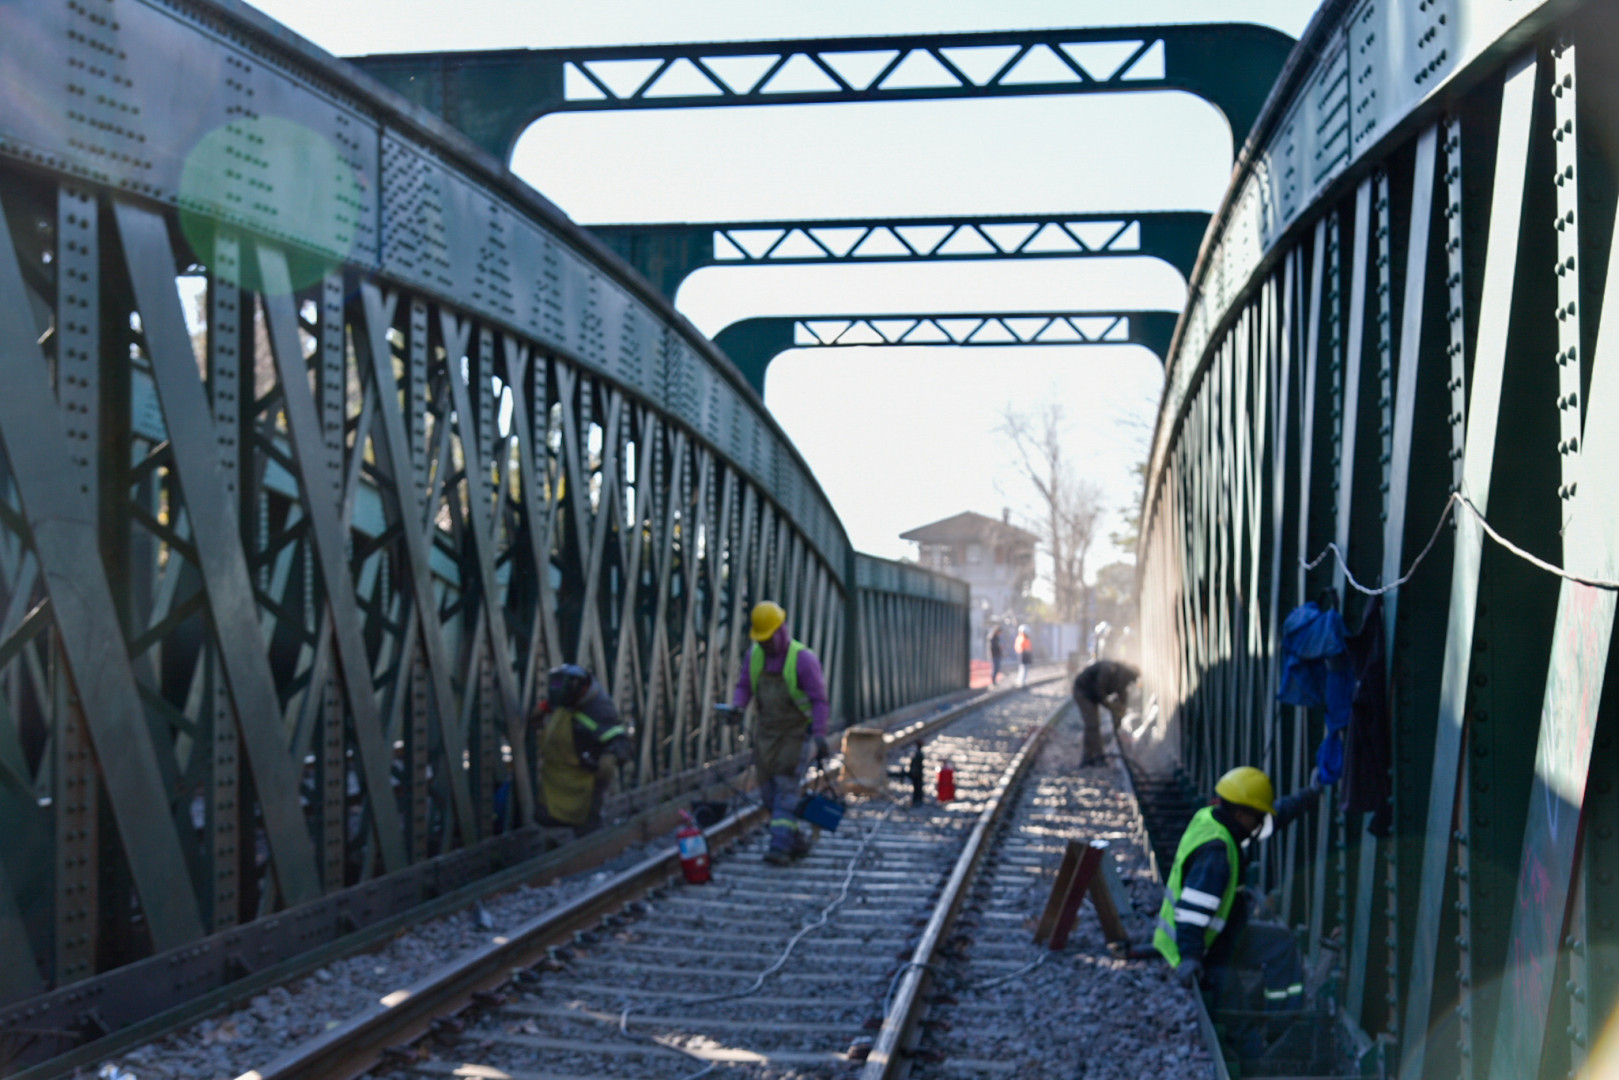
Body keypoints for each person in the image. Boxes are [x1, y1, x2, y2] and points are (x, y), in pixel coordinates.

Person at [1154, 766, 1323, 1013]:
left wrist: (1309, 795)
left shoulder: (1214, 819)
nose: (1261, 822)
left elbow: (1270, 823)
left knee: (1282, 943)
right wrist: (1191, 958)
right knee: (1237, 1024)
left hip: (1222, 935)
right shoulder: (1217, 854)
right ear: (1243, 816)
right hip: (1206, 949)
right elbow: (1192, 912)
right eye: (1257, 816)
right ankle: (1259, 1040)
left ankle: (1281, 1018)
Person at [732, 600, 830, 864]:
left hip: (795, 735)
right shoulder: (754, 657)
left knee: (786, 789)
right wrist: (736, 707)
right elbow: (744, 686)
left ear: (781, 630)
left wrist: (819, 734)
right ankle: (795, 839)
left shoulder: (803, 660)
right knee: (768, 794)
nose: (765, 644)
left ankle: (780, 847)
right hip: (766, 735)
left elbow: (819, 700)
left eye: (768, 638)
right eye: (761, 639)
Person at [533, 664, 633, 836]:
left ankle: (589, 851)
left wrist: (610, 757)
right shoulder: (566, 700)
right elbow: (554, 703)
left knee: (587, 822)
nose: (556, 690)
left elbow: (621, 741)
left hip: (587, 773)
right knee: (546, 815)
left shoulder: (600, 710)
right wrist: (543, 709)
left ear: (580, 686)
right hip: (561, 773)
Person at [1072, 659, 1139, 765]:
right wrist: (1111, 707)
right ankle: (1092, 757)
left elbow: (1122, 700)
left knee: (1093, 725)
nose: (1128, 684)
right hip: (1083, 692)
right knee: (1092, 724)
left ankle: (1094, 756)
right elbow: (1099, 692)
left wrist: (1119, 718)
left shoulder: (1122, 679)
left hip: (1091, 694)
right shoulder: (1107, 670)